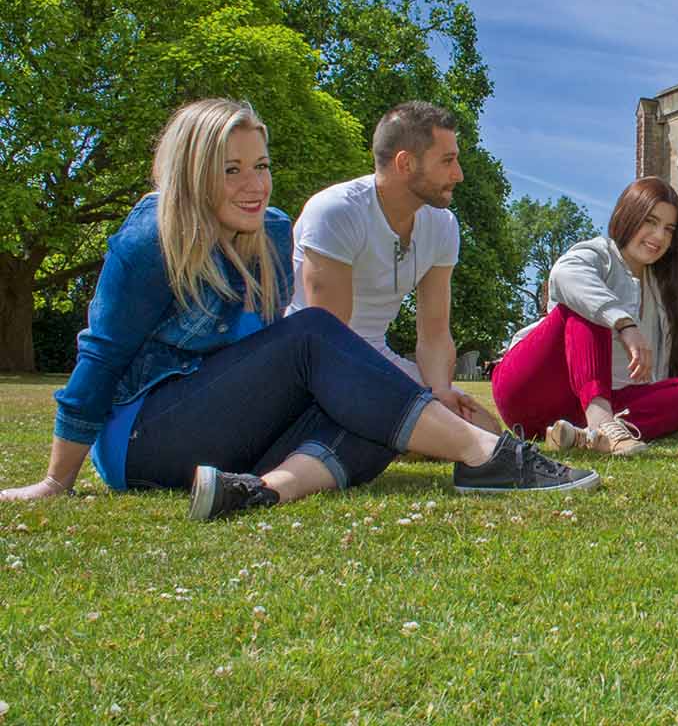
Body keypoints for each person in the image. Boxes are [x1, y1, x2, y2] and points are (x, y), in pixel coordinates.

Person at [0, 99, 599, 518]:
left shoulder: (273, 232)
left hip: (228, 434)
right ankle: (486, 456)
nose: (254, 184)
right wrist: (57, 481)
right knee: (317, 333)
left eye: (260, 166)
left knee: (377, 406)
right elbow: (101, 358)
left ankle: (260, 493)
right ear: (192, 174)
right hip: (142, 440)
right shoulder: (149, 241)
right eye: (230, 170)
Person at [287, 101, 500, 434]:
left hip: (375, 357)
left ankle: (395, 433)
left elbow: (434, 333)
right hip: (313, 366)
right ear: (406, 163)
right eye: (447, 161)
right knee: (440, 429)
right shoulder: (337, 211)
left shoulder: (443, 225)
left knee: (483, 427)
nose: (458, 174)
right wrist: (410, 403)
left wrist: (440, 392)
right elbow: (331, 344)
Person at [492, 178, 678, 456]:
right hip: (532, 388)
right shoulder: (598, 254)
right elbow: (564, 275)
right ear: (628, 216)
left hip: (576, 412)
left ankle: (584, 436)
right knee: (583, 308)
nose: (659, 237)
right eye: (650, 222)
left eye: (668, 229)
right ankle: (602, 424)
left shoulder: (660, 291)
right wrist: (624, 323)